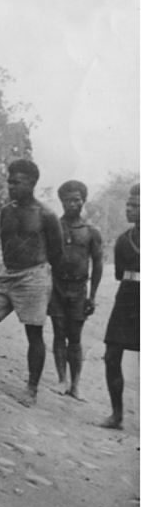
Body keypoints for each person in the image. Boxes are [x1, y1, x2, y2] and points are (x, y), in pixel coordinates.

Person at [0, 159, 62, 405]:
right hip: (9, 274)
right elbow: (6, 242)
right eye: (9, 181)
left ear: (32, 183)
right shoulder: (7, 211)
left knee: (34, 332)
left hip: (34, 275)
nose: (11, 186)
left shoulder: (47, 215)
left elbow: (57, 253)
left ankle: (31, 389)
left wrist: (49, 287)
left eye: (17, 182)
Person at [48, 180, 103, 399]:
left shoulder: (91, 232)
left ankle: (75, 385)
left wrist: (92, 296)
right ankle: (62, 380)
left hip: (79, 288)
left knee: (76, 337)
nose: (73, 204)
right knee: (59, 332)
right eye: (68, 200)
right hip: (57, 286)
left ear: (84, 201)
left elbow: (97, 264)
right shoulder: (54, 227)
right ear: (61, 201)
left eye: (77, 199)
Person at [99, 184, 139, 429]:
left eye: (135, 206)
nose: (129, 209)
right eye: (128, 204)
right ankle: (117, 415)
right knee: (112, 355)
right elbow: (119, 274)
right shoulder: (123, 241)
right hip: (126, 300)